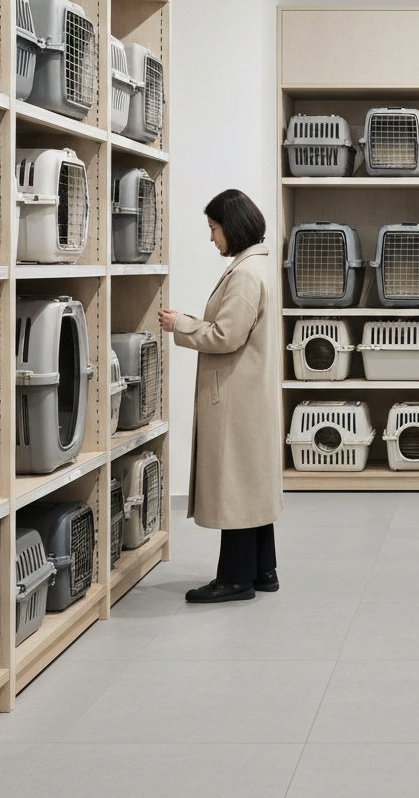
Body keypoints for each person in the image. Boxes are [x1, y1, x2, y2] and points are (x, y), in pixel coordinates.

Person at [159, 189, 282, 603]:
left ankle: (235, 579)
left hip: (236, 396)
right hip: (249, 393)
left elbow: (227, 336)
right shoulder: (257, 267)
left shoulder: (246, 273)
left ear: (232, 227)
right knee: (251, 484)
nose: (212, 238)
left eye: (214, 228)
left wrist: (181, 324)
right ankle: (263, 570)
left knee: (235, 486)